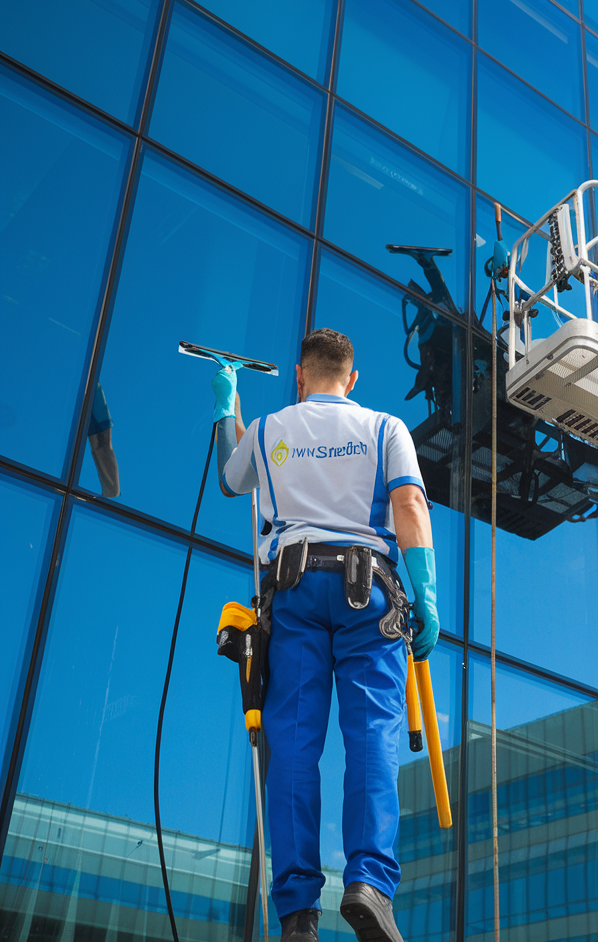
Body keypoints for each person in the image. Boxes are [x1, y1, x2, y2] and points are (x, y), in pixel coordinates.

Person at [212, 328, 438, 942]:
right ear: (353, 378)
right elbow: (411, 506)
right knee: (371, 735)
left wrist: (226, 403)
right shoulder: (386, 428)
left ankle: (297, 913)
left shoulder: (268, 429)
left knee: (291, 743)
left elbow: (232, 479)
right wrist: (427, 597)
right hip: (369, 592)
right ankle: (369, 884)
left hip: (293, 587)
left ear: (300, 376)